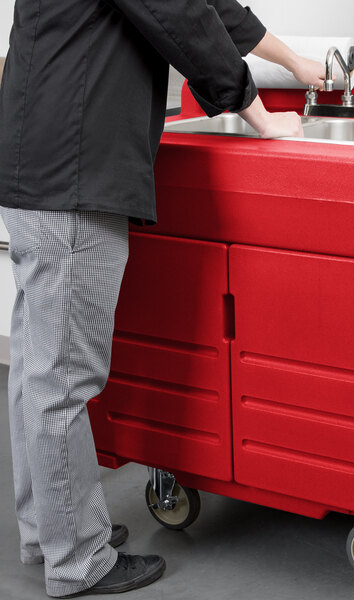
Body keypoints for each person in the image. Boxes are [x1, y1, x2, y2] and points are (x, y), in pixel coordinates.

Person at [0, 0, 326, 597]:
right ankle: (77, 560)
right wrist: (259, 115)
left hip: (37, 162)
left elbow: (209, 7)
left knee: (35, 368)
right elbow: (180, 13)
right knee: (62, 378)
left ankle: (47, 533)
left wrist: (295, 62)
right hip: (77, 168)